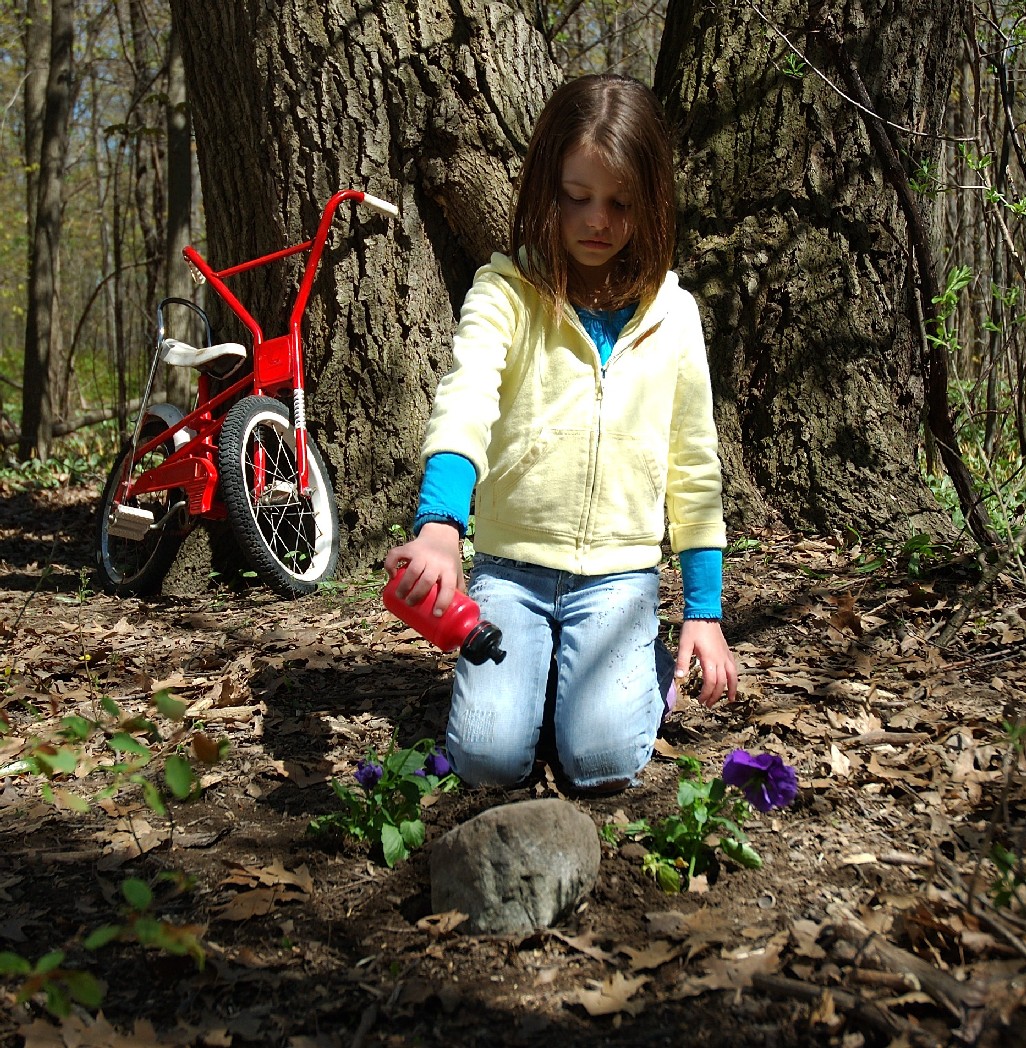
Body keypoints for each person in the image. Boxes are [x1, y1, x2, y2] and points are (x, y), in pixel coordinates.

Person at [384, 73, 738, 792]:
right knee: (486, 760)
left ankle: (626, 675)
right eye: (577, 197)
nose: (596, 221)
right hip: (512, 572)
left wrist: (704, 611)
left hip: (619, 580)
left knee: (602, 762)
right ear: (547, 187)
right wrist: (441, 524)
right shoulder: (507, 292)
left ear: (653, 203)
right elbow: (466, 398)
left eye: (620, 203)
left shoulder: (673, 316)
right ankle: (544, 688)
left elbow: (695, 467)